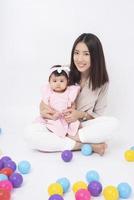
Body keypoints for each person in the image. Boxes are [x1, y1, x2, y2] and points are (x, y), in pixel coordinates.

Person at [25, 33, 119, 156]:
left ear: (95, 56)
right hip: (56, 122)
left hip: (80, 125)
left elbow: (98, 115)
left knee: (113, 123)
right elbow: (48, 95)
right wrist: (43, 109)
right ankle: (85, 145)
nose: (79, 59)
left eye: (86, 54)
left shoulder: (102, 82)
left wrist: (80, 114)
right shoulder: (65, 73)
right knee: (29, 133)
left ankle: (66, 139)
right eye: (76, 53)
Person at [36, 65, 80, 138]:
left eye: (62, 81)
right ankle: (60, 135)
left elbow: (73, 105)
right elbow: (45, 107)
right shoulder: (48, 93)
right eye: (54, 81)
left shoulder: (69, 92)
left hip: (66, 116)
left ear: (67, 82)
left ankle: (72, 135)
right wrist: (53, 114)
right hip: (54, 117)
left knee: (75, 124)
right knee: (56, 125)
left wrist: (70, 111)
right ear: (49, 82)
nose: (58, 84)